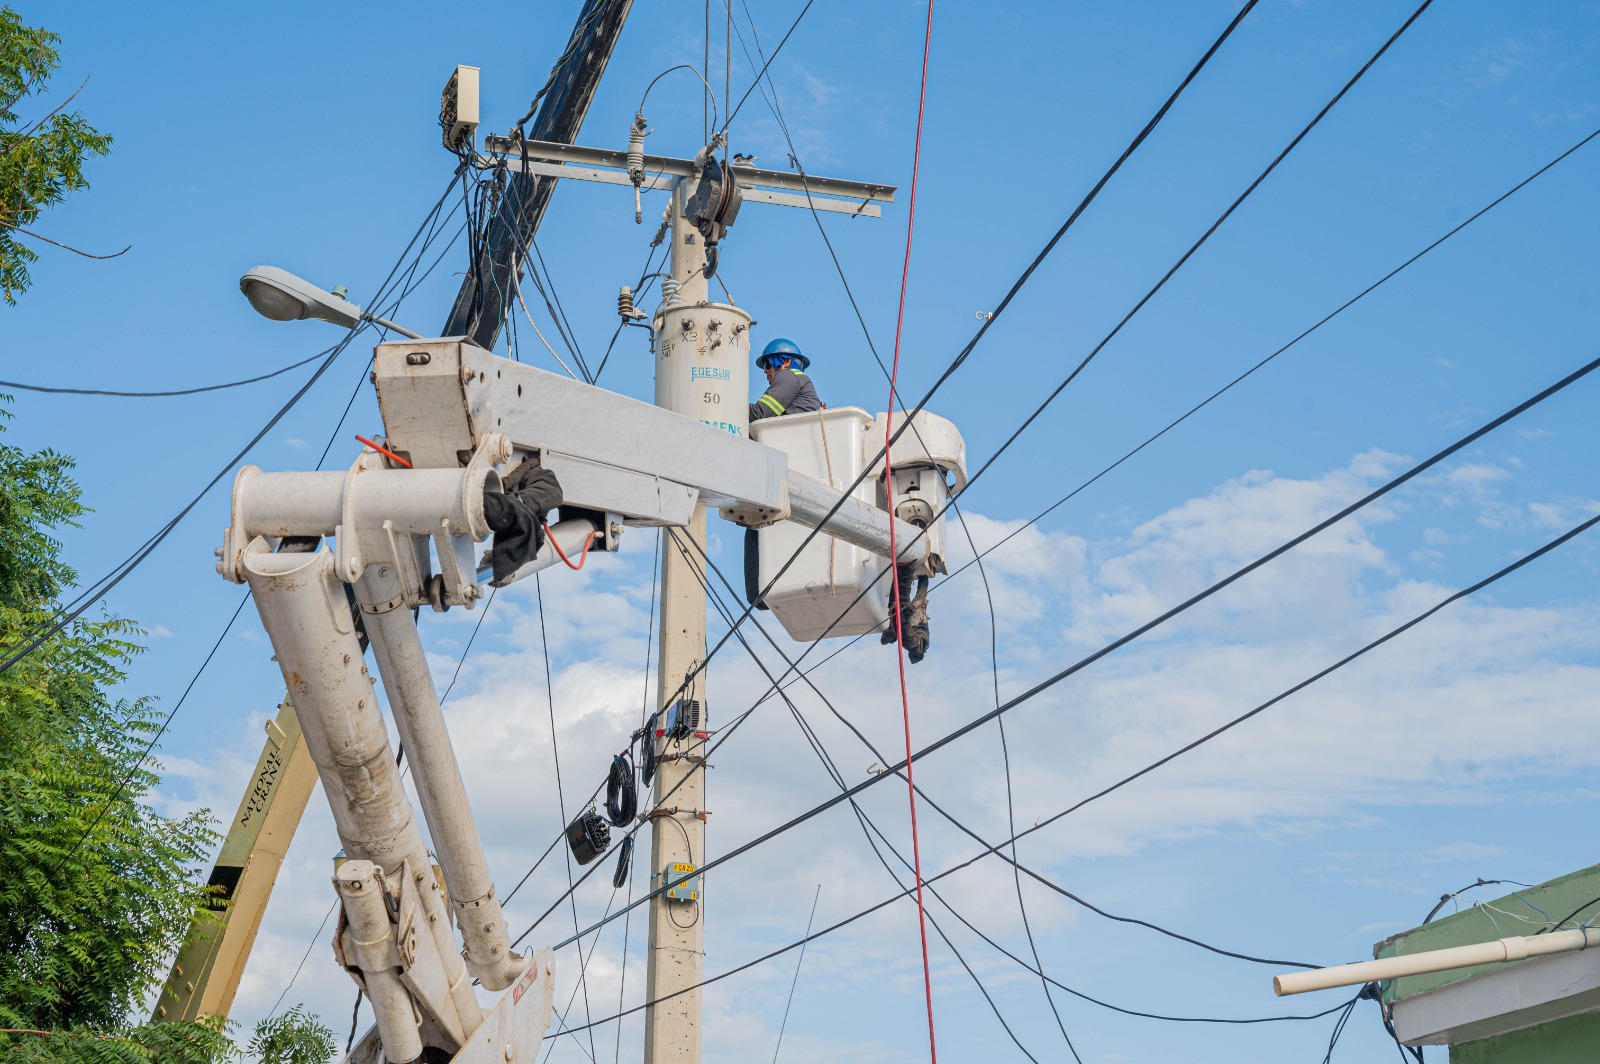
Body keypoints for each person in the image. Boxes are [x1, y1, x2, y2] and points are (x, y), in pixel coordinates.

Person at [749, 338, 821, 421]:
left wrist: (733, 407)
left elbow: (760, 413)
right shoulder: (799, 379)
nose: (765, 370)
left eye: (768, 364)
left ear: (787, 362)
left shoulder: (789, 375)